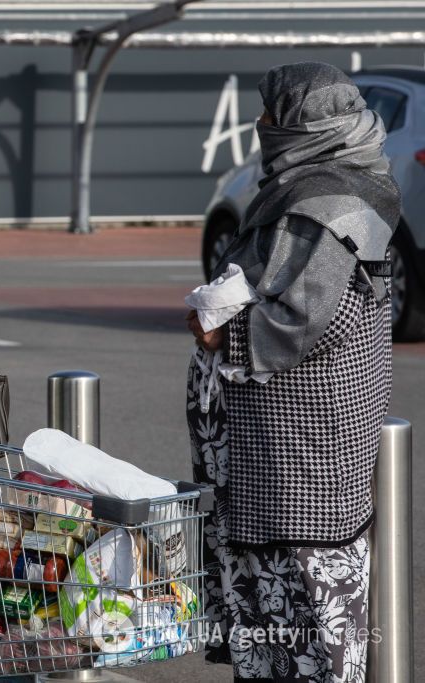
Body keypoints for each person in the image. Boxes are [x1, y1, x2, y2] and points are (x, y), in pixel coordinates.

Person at [185, 62, 399, 682]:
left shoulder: (324, 202)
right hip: (290, 448)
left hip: (297, 450)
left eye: (274, 117)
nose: (263, 126)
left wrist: (223, 331)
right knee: (283, 609)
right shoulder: (335, 182)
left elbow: (308, 316)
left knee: (306, 610)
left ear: (306, 126)